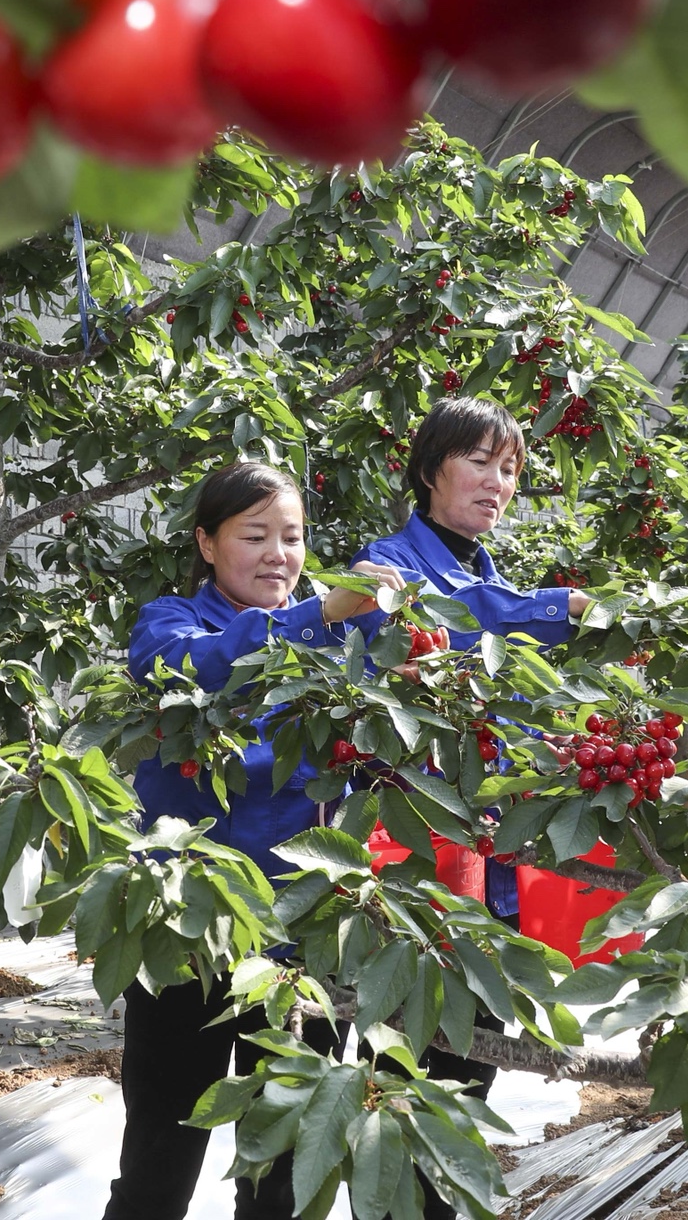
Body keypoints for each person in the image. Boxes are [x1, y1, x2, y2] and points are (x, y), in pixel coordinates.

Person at [103, 459, 401, 1220]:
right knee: (157, 1170)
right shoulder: (170, 624)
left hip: (302, 946)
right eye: (256, 534)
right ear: (206, 542)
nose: (279, 554)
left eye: (294, 537)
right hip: (187, 943)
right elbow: (192, 670)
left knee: (283, 1178)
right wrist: (316, 616)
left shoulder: (339, 644)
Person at [351, 397, 601, 1219]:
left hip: (488, 872)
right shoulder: (387, 569)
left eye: (511, 470)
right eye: (482, 463)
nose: (498, 484)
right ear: (430, 470)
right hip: (416, 869)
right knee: (410, 1074)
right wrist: (555, 608)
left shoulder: (493, 577)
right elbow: (451, 623)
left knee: (469, 1070)